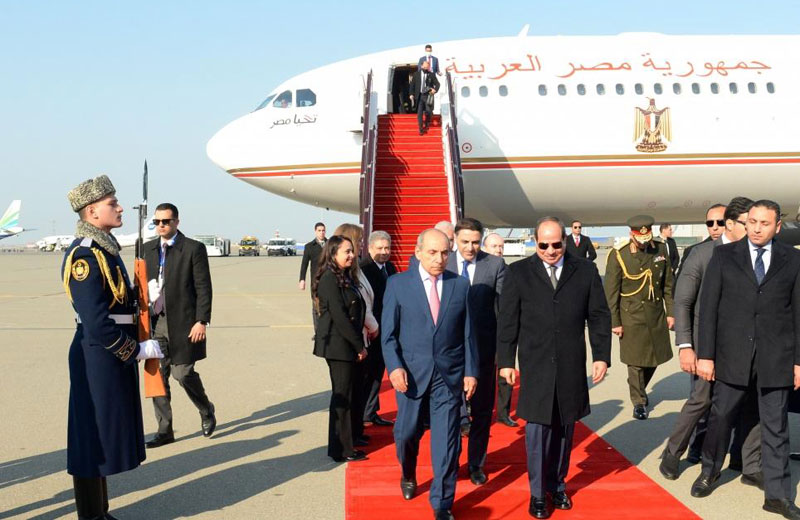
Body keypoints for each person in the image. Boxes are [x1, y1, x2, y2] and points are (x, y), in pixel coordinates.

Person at [691, 200, 800, 520]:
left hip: (776, 358)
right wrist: (705, 355)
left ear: (777, 226)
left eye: (764, 223)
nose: (756, 228)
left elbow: (799, 313)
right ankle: (709, 471)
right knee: (721, 416)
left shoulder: (793, 259)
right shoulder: (724, 256)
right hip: (731, 355)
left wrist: (798, 361)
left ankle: (777, 496)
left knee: (776, 427)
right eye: (752, 221)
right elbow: (708, 309)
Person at [63, 175, 163, 519]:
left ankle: (100, 512)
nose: (120, 208)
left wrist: (145, 299)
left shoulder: (105, 249)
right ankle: (91, 515)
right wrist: (133, 351)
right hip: (97, 353)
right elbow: (96, 320)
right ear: (92, 211)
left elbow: (117, 301)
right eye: (112, 203)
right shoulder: (85, 255)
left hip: (107, 354)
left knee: (103, 435)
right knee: (90, 437)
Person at [498, 216, 611, 519]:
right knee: (537, 432)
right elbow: (508, 322)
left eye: (556, 244)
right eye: (543, 245)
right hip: (535, 366)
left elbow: (599, 315)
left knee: (564, 429)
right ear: (535, 242)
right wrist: (506, 361)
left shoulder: (585, 270)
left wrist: (601, 356)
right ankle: (537, 494)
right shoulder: (518, 272)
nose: (550, 250)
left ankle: (557, 485)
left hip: (571, 365)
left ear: (565, 241)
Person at [659, 197, 760, 481]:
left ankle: (742, 460)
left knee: (743, 401)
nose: (753, 228)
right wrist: (685, 346)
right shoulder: (703, 254)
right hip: (706, 344)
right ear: (731, 224)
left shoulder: (754, 254)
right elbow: (683, 302)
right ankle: (672, 453)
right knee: (701, 400)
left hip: (741, 344)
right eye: (747, 223)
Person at [382, 229, 478, 520]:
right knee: (406, 433)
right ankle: (408, 471)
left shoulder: (460, 285)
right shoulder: (398, 284)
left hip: (448, 376)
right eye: (433, 252)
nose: (439, 259)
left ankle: (442, 502)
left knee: (447, 441)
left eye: (445, 253)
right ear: (418, 252)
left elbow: (468, 333)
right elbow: (388, 335)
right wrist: (395, 366)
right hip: (410, 374)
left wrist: (470, 371)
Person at [144, 203, 216, 448]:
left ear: (176, 222)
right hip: (156, 322)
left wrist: (201, 321)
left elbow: (203, 287)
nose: (161, 226)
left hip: (184, 323)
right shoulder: (147, 249)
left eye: (166, 221)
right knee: (157, 377)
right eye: (157, 222)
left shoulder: (193, 249)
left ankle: (206, 409)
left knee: (182, 373)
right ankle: (165, 430)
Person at [446, 217, 506, 486]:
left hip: (483, 349)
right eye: (465, 242)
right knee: (449, 411)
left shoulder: (494, 265)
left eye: (475, 242)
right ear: (455, 240)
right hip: (448, 351)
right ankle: (450, 462)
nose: (470, 247)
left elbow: (505, 308)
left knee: (482, 411)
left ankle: (476, 464)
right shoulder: (443, 261)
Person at [604, 215, 674, 420]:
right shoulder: (619, 255)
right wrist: (615, 322)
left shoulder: (660, 249)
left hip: (655, 313)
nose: (643, 243)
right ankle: (639, 402)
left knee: (655, 358)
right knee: (635, 361)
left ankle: (637, 385)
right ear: (631, 235)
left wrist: (671, 312)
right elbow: (611, 292)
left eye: (646, 238)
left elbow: (668, 284)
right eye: (639, 239)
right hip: (631, 315)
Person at [312, 235, 369, 463]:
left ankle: (349, 440)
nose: (352, 255)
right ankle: (341, 449)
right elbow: (340, 317)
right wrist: (359, 345)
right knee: (341, 397)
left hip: (345, 343)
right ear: (333, 253)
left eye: (352, 251)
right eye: (347, 251)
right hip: (338, 345)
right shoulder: (329, 278)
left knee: (349, 393)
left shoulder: (343, 275)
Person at [332, 223, 379, 446]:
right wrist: (374, 327)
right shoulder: (341, 275)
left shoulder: (356, 269)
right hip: (354, 338)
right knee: (348, 392)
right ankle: (347, 439)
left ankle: (357, 431)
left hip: (363, 335)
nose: (360, 245)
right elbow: (360, 306)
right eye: (358, 241)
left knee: (359, 389)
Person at [360, 230, 398, 427]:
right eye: (380, 248)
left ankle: (371, 411)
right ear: (369, 248)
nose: (384, 252)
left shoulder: (390, 267)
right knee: (368, 373)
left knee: (378, 371)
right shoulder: (363, 269)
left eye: (387, 248)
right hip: (371, 329)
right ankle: (364, 413)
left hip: (387, 327)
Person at [482, 233, 516, 427]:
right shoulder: (480, 271)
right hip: (484, 331)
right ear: (485, 248)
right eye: (494, 246)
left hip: (505, 331)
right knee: (485, 375)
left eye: (501, 246)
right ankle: (480, 411)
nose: (498, 250)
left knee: (506, 373)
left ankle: (503, 413)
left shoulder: (510, 271)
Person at [678, 204, 726, 273]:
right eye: (710, 223)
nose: (714, 228)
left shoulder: (741, 249)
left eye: (721, 223)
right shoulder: (693, 252)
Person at [299, 222, 327, 330]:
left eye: (323, 230)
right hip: (315, 282)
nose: (321, 233)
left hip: (328, 280)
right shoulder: (309, 247)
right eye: (319, 230)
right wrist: (302, 280)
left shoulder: (330, 245)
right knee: (316, 307)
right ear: (315, 231)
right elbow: (304, 264)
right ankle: (318, 332)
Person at [409, 60, 440, 135]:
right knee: (419, 113)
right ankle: (420, 129)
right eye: (425, 67)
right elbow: (412, 85)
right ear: (421, 66)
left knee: (429, 111)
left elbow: (438, 84)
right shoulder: (416, 74)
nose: (426, 68)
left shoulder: (431, 74)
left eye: (427, 67)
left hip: (428, 95)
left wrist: (435, 90)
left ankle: (426, 123)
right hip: (419, 96)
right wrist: (411, 94)